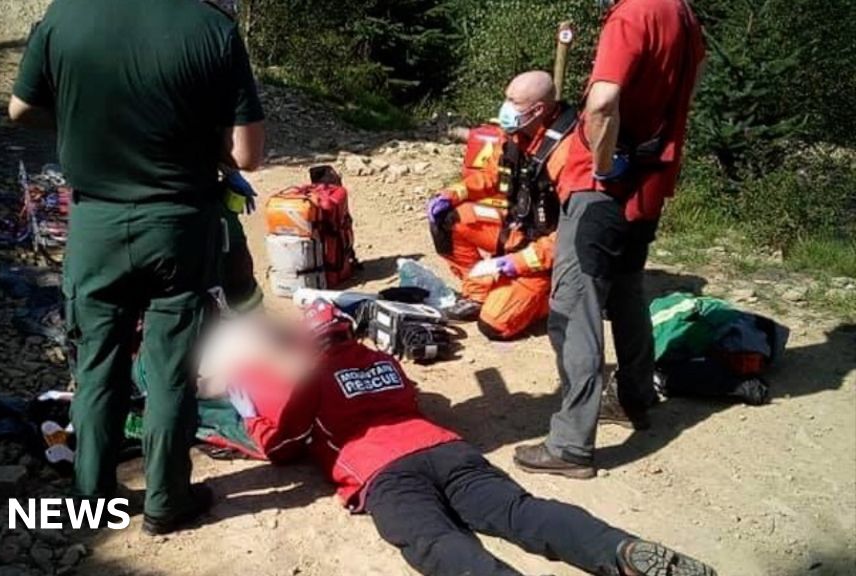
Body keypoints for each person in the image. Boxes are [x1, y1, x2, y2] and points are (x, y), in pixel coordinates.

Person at [216, 300, 717, 576]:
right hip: (445, 448)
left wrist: (254, 419)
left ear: (308, 346)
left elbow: (282, 449)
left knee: (435, 541)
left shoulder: (312, 381)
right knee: (521, 512)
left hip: (382, 473)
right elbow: (408, 399)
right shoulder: (385, 361)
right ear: (351, 332)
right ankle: (621, 550)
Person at [8, 0, 265, 534]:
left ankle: (90, 498)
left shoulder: (66, 16)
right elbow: (247, 153)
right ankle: (167, 502)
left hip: (96, 225)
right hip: (178, 224)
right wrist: (195, 138)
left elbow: (20, 108)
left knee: (97, 366)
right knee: (171, 370)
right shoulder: (212, 25)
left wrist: (80, 122)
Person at [514, 0, 706, 478]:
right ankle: (636, 397)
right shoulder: (686, 18)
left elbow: (602, 102)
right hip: (650, 183)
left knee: (573, 306)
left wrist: (600, 165)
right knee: (625, 291)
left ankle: (571, 444)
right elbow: (687, 95)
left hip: (605, 187)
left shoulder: (633, 14)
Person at [427, 71, 576, 341]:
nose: (505, 107)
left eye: (513, 101)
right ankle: (478, 292)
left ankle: (552, 296)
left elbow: (572, 234)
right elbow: (491, 176)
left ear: (539, 109)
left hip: (548, 254)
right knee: (449, 219)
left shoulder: (566, 153)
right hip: (516, 230)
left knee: (495, 324)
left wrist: (517, 263)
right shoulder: (516, 135)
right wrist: (453, 193)